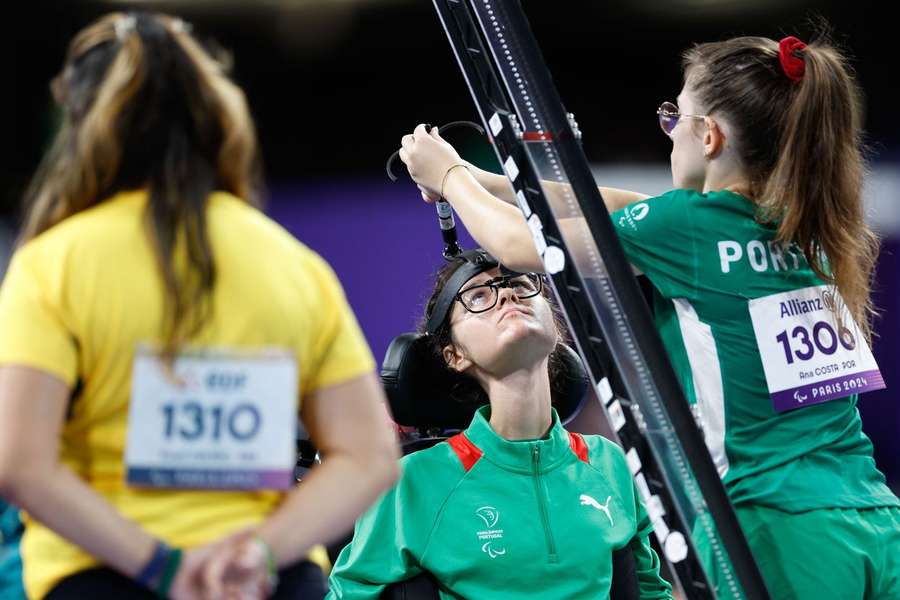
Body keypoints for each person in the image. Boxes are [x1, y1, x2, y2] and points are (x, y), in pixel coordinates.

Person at [397, 31, 900, 599]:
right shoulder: (809, 227)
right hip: (875, 519)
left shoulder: (689, 228)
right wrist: (485, 179)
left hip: (775, 528)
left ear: (708, 135)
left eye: (674, 118)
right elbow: (617, 208)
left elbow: (521, 247)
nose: (670, 134)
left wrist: (447, 176)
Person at [0, 11, 399, 600]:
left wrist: (166, 569)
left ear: (85, 128)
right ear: (218, 125)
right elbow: (368, 457)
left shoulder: (54, 262)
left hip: (103, 578)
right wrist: (258, 552)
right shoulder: (295, 265)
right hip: (268, 583)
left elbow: (20, 463)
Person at [326, 249, 673, 599]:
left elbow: (651, 593)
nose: (507, 295)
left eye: (521, 285)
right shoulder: (412, 480)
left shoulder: (608, 462)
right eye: (478, 295)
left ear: (555, 328)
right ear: (455, 355)